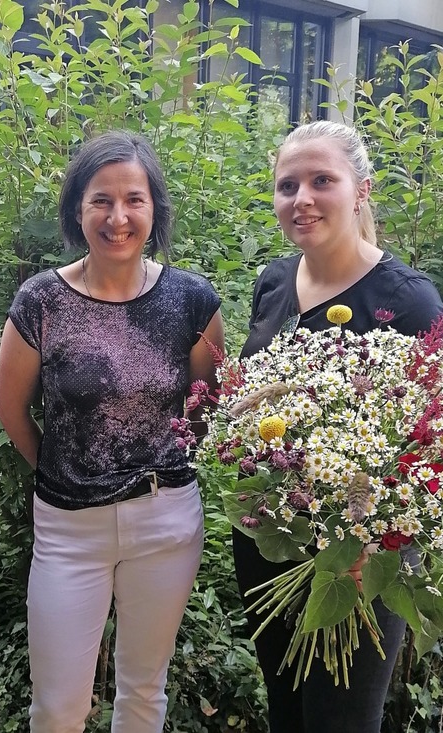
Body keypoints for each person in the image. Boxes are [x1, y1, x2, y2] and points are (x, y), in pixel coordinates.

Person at [0, 129, 224, 733]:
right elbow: (11, 409)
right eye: (101, 199)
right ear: (77, 208)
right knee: (59, 706)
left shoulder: (192, 299)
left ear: (155, 209)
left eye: (134, 199)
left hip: (166, 521)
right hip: (69, 528)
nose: (117, 216)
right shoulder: (41, 299)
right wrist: (59, 465)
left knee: (145, 690)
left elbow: (206, 405)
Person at [233, 120, 443, 733]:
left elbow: (433, 443)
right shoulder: (272, 283)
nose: (301, 199)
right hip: (269, 544)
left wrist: (374, 537)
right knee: (286, 708)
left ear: (361, 191)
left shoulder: (407, 302)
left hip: (362, 556)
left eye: (322, 180)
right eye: (287, 185)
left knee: (342, 720)